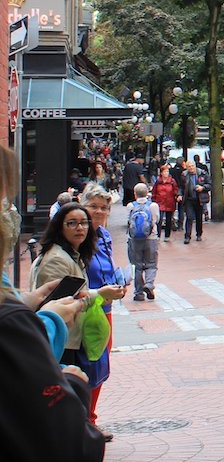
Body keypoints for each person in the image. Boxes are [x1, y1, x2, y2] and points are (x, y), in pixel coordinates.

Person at [0, 148, 106, 460]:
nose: (10, 213)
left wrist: (25, 301)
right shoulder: (13, 322)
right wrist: (71, 382)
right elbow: (73, 442)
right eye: (5, 201)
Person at [31, 199, 127, 443]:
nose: (80, 228)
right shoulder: (57, 259)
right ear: (59, 227)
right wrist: (99, 294)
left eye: (83, 223)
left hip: (72, 335)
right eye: (72, 223)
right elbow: (58, 304)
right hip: (64, 338)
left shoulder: (72, 254)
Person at [79, 182, 128, 439]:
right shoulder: (78, 236)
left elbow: (108, 266)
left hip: (104, 307)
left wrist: (119, 282)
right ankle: (85, 421)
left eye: (103, 208)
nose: (99, 212)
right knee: (89, 363)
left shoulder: (105, 236)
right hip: (85, 309)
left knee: (101, 362)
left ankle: (90, 417)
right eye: (93, 206)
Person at [125, 183, 159, 302]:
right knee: (151, 263)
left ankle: (138, 293)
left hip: (134, 240)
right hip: (151, 238)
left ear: (135, 194)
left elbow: (128, 221)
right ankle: (149, 284)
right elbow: (156, 220)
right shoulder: (153, 206)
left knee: (137, 266)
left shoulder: (130, 206)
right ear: (147, 193)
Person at [180, 160, 210, 244]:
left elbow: (209, 184)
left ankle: (199, 234)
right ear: (186, 167)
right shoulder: (184, 175)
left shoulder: (202, 173)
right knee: (189, 217)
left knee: (199, 217)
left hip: (199, 199)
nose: (191, 168)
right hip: (189, 199)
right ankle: (187, 236)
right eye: (189, 167)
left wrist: (202, 187)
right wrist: (179, 194)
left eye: (192, 166)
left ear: (195, 166)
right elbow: (181, 187)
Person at [151, 164, 181, 240]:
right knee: (159, 219)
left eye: (167, 171)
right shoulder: (158, 182)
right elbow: (154, 192)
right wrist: (153, 200)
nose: (166, 173)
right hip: (160, 202)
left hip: (170, 202)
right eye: (165, 172)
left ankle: (167, 236)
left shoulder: (172, 181)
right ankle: (158, 235)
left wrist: (177, 196)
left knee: (168, 220)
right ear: (161, 173)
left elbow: (175, 190)